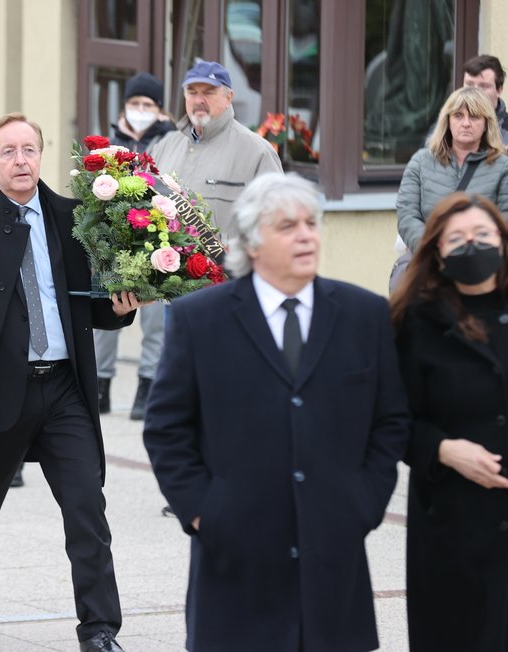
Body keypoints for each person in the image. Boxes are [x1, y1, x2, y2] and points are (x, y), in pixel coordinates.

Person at [143, 173, 409, 651]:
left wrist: (363, 502)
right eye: (288, 226)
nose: (306, 235)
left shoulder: (364, 315)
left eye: (312, 223)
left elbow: (389, 421)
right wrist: (205, 511)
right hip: (235, 555)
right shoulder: (199, 319)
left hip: (333, 554)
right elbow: (166, 430)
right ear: (251, 242)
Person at [0, 113, 140, 652]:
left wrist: (121, 308)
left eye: (30, 150)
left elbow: (93, 306)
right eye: (9, 151)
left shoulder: (73, 218)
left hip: (64, 387)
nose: (22, 160)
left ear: (41, 156)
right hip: (2, 385)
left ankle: (99, 628)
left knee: (87, 507)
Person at [391, 192, 508, 651]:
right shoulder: (414, 323)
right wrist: (442, 449)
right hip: (451, 523)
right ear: (436, 251)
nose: (471, 246)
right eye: (456, 239)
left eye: (482, 235)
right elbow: (392, 421)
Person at [94, 71, 176, 420]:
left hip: (157, 238)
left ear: (159, 110)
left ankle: (148, 384)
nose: (140, 110)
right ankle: (100, 385)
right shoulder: (108, 143)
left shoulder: (171, 142)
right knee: (108, 307)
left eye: (148, 104)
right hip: (115, 241)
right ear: (124, 106)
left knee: (155, 316)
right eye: (134, 103)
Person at [148, 60, 282, 237]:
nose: (199, 100)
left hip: (228, 264)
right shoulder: (163, 147)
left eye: (209, 92)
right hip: (164, 264)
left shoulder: (258, 152)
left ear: (229, 97)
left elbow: (279, 225)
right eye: (192, 92)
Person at [397, 86, 508, 254]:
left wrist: (472, 252)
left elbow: (504, 220)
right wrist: (433, 250)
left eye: (474, 116)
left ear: (486, 124)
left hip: (482, 261)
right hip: (428, 258)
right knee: (400, 280)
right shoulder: (420, 162)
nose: (466, 123)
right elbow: (407, 216)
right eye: (458, 116)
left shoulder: (503, 166)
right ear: (447, 121)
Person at [462, 54, 508, 142]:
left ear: (499, 90)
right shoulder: (447, 126)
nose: (475, 91)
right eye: (469, 84)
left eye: (483, 86)